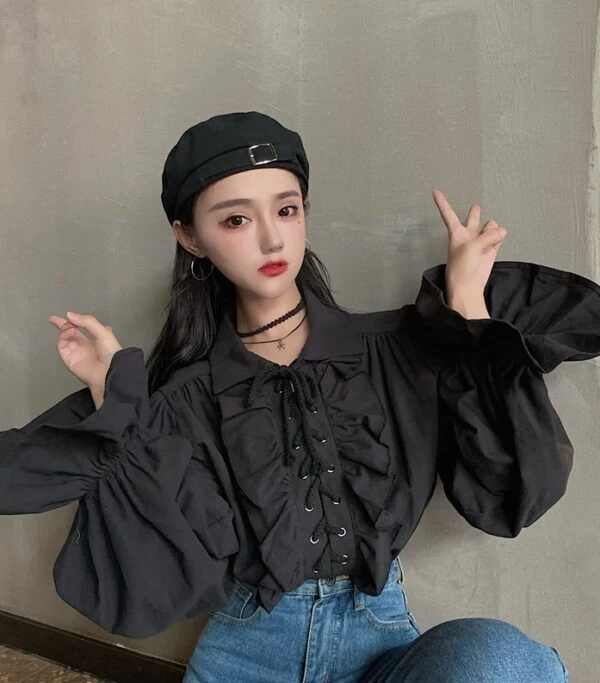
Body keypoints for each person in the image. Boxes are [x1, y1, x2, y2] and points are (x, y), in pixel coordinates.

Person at [3, 110, 596, 681]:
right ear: (190, 237)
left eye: (286, 210)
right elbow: (134, 566)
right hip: (247, 652)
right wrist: (114, 401)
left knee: (503, 659)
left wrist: (467, 309)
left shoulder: (398, 351)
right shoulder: (185, 398)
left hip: (381, 647)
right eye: (235, 220)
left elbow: (512, 491)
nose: (271, 239)